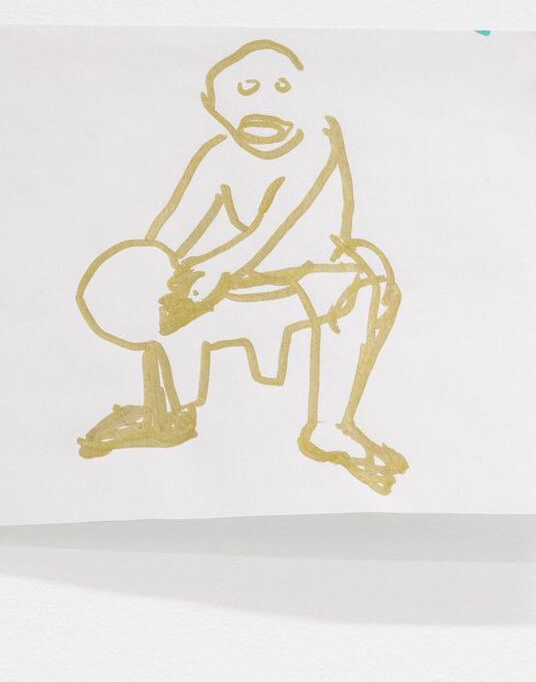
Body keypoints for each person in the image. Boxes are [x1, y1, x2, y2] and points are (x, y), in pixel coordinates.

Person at [75, 40, 406, 493]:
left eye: (283, 88)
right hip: (232, 290)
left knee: (369, 274)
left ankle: (331, 426)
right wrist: (145, 276)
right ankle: (164, 413)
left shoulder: (319, 141)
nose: (265, 102)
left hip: (310, 281)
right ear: (213, 104)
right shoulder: (218, 155)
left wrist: (214, 272)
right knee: (155, 280)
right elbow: (171, 238)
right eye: (245, 90)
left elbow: (275, 228)